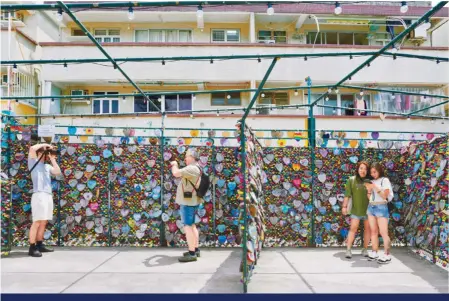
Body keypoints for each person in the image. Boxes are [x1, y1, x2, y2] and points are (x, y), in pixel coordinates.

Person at [28, 142, 61, 257]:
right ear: (40, 153)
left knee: (44, 221)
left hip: (47, 195)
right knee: (37, 221)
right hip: (39, 194)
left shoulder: (47, 166)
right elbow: (32, 148)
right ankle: (32, 247)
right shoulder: (33, 162)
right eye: (45, 152)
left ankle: (40, 244)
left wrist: (52, 159)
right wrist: (46, 145)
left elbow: (57, 172)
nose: (47, 154)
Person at [170, 148, 203, 263]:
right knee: (192, 225)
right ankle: (195, 249)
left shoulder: (192, 168)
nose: (185, 158)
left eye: (187, 156)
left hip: (188, 203)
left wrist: (174, 164)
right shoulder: (197, 167)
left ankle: (191, 253)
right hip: (192, 201)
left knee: (187, 226)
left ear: (192, 157)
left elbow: (176, 173)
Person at [364, 162, 393, 264]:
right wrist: (368, 190)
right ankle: (374, 252)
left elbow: (385, 196)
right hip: (371, 206)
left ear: (379, 170)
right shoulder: (371, 181)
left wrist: (375, 187)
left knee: (384, 232)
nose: (373, 174)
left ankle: (387, 254)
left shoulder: (385, 180)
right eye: (371, 172)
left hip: (381, 206)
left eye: (374, 172)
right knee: (373, 231)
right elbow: (370, 197)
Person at [342, 161, 371, 259]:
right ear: (357, 169)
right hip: (356, 210)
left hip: (369, 210)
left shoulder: (370, 181)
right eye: (361, 168)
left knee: (368, 230)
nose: (363, 171)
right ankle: (348, 249)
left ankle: (365, 249)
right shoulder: (351, 180)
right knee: (353, 229)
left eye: (365, 169)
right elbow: (347, 195)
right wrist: (344, 207)